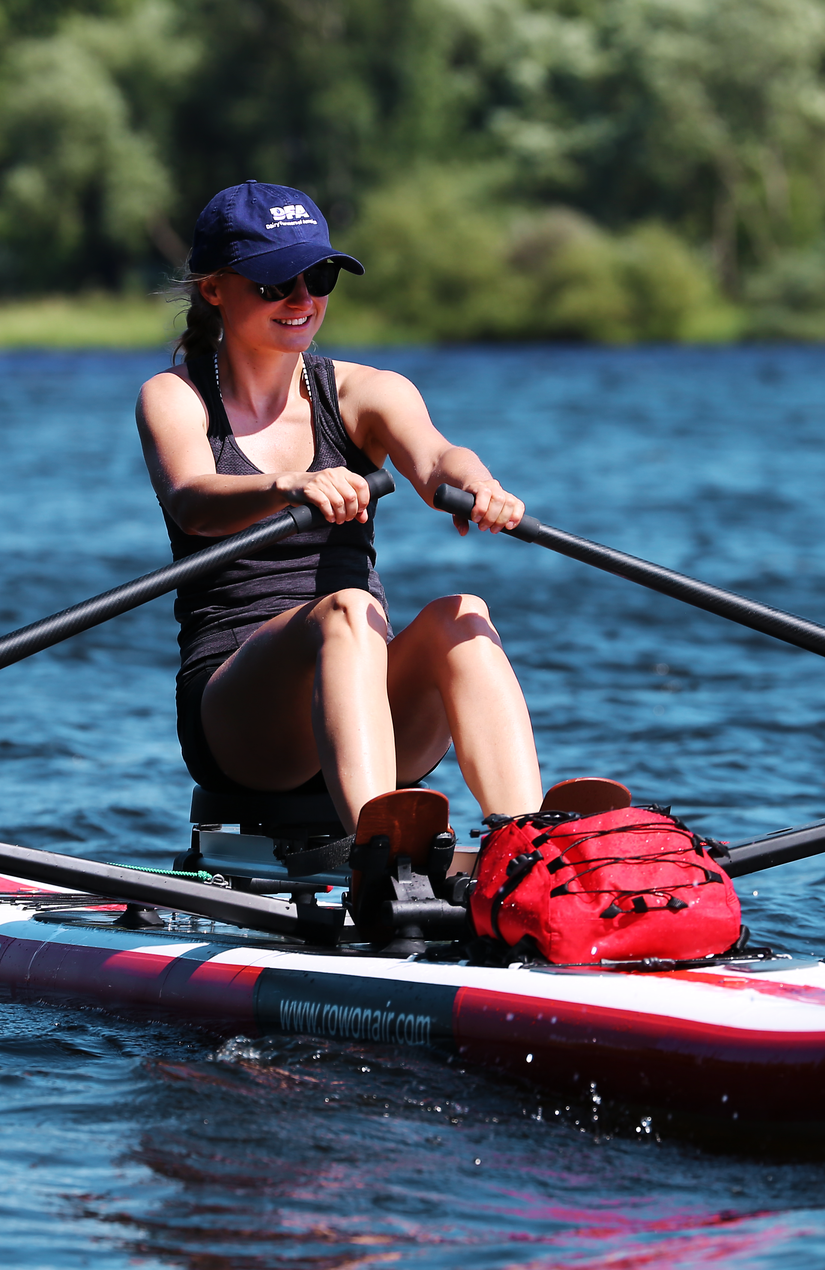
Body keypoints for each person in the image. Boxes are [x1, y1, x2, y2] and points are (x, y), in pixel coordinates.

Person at [137, 181, 542, 832]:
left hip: (368, 694)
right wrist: (290, 486)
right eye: (274, 283)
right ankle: (380, 858)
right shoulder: (175, 397)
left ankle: (530, 847)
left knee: (461, 615)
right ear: (214, 288)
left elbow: (438, 459)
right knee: (351, 611)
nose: (302, 300)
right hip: (240, 720)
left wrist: (482, 485)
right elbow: (193, 502)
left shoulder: (365, 392)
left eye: (319, 276)